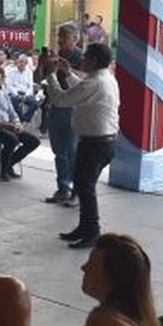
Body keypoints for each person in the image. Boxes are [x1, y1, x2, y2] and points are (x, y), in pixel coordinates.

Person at [48, 43, 120, 249]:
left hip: (95, 144)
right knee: (83, 186)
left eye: (86, 56)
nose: (82, 59)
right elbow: (82, 89)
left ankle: (92, 232)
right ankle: (84, 227)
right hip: (103, 142)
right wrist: (69, 74)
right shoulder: (104, 78)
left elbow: (61, 99)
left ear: (94, 60)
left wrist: (51, 75)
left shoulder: (95, 82)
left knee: (85, 189)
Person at [39, 23, 86, 205]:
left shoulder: (80, 56)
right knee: (59, 152)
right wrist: (42, 65)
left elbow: (87, 79)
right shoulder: (54, 56)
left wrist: (67, 70)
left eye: (64, 37)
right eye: (59, 36)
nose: (59, 40)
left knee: (71, 151)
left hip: (72, 108)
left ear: (75, 39)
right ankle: (63, 188)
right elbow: (38, 78)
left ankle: (76, 190)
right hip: (55, 105)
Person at [0, 66, 41, 181]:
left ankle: (9, 163)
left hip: (7, 126)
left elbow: (13, 114)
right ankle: (4, 171)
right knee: (12, 139)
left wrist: (17, 124)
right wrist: (6, 125)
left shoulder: (4, 95)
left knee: (34, 141)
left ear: (3, 80)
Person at [5, 54, 39, 124]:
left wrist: (26, 95)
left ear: (26, 63)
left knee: (34, 103)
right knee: (14, 100)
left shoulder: (29, 72)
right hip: (14, 93)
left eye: (22, 62)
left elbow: (30, 86)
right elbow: (9, 85)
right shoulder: (11, 71)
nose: (20, 63)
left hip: (25, 93)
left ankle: (24, 119)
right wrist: (17, 94)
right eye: (20, 61)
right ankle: (18, 119)